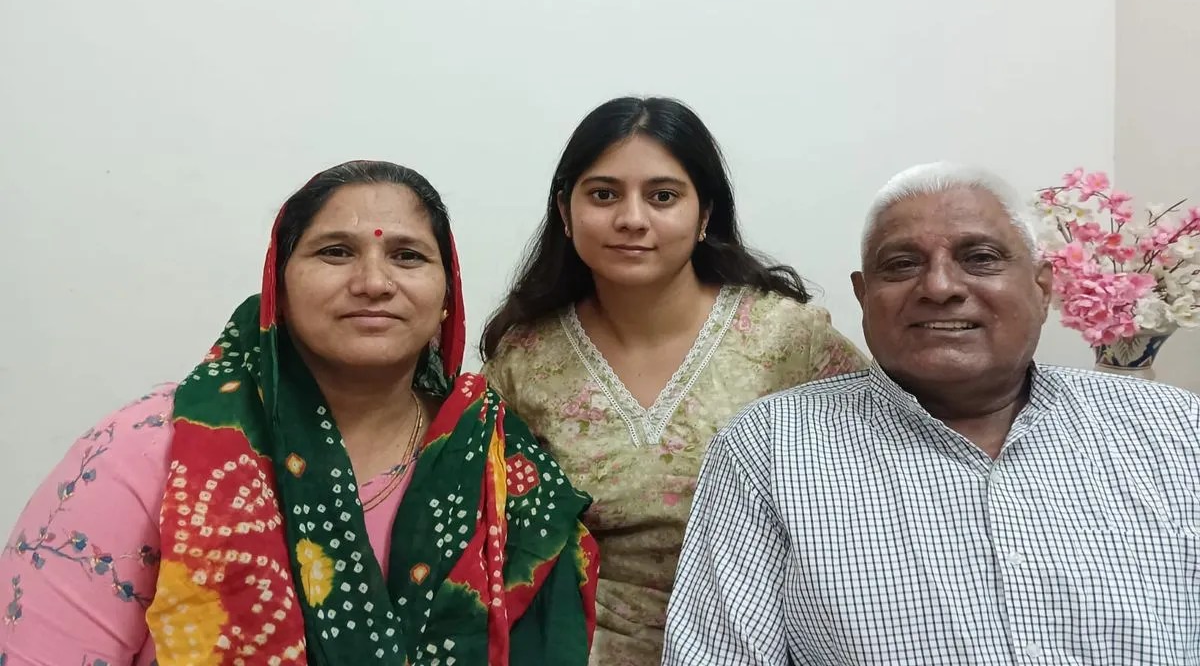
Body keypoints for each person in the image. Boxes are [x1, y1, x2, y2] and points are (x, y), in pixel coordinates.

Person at [0, 160, 599, 666]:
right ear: (278, 287)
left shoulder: (503, 469)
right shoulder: (153, 451)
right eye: (335, 252)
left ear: (447, 297)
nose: (374, 282)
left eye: (407, 256)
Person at [663, 161, 1200, 665]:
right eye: (902, 264)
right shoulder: (770, 447)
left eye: (980, 258)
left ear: (1042, 287)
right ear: (863, 295)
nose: (940, 287)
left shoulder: (1174, 430)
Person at [480, 97, 867, 664]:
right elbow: (489, 543)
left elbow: (888, 482)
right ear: (565, 210)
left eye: (662, 196)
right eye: (604, 195)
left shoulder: (788, 340)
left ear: (705, 213)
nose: (632, 219)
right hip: (576, 647)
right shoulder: (524, 360)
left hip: (764, 645)